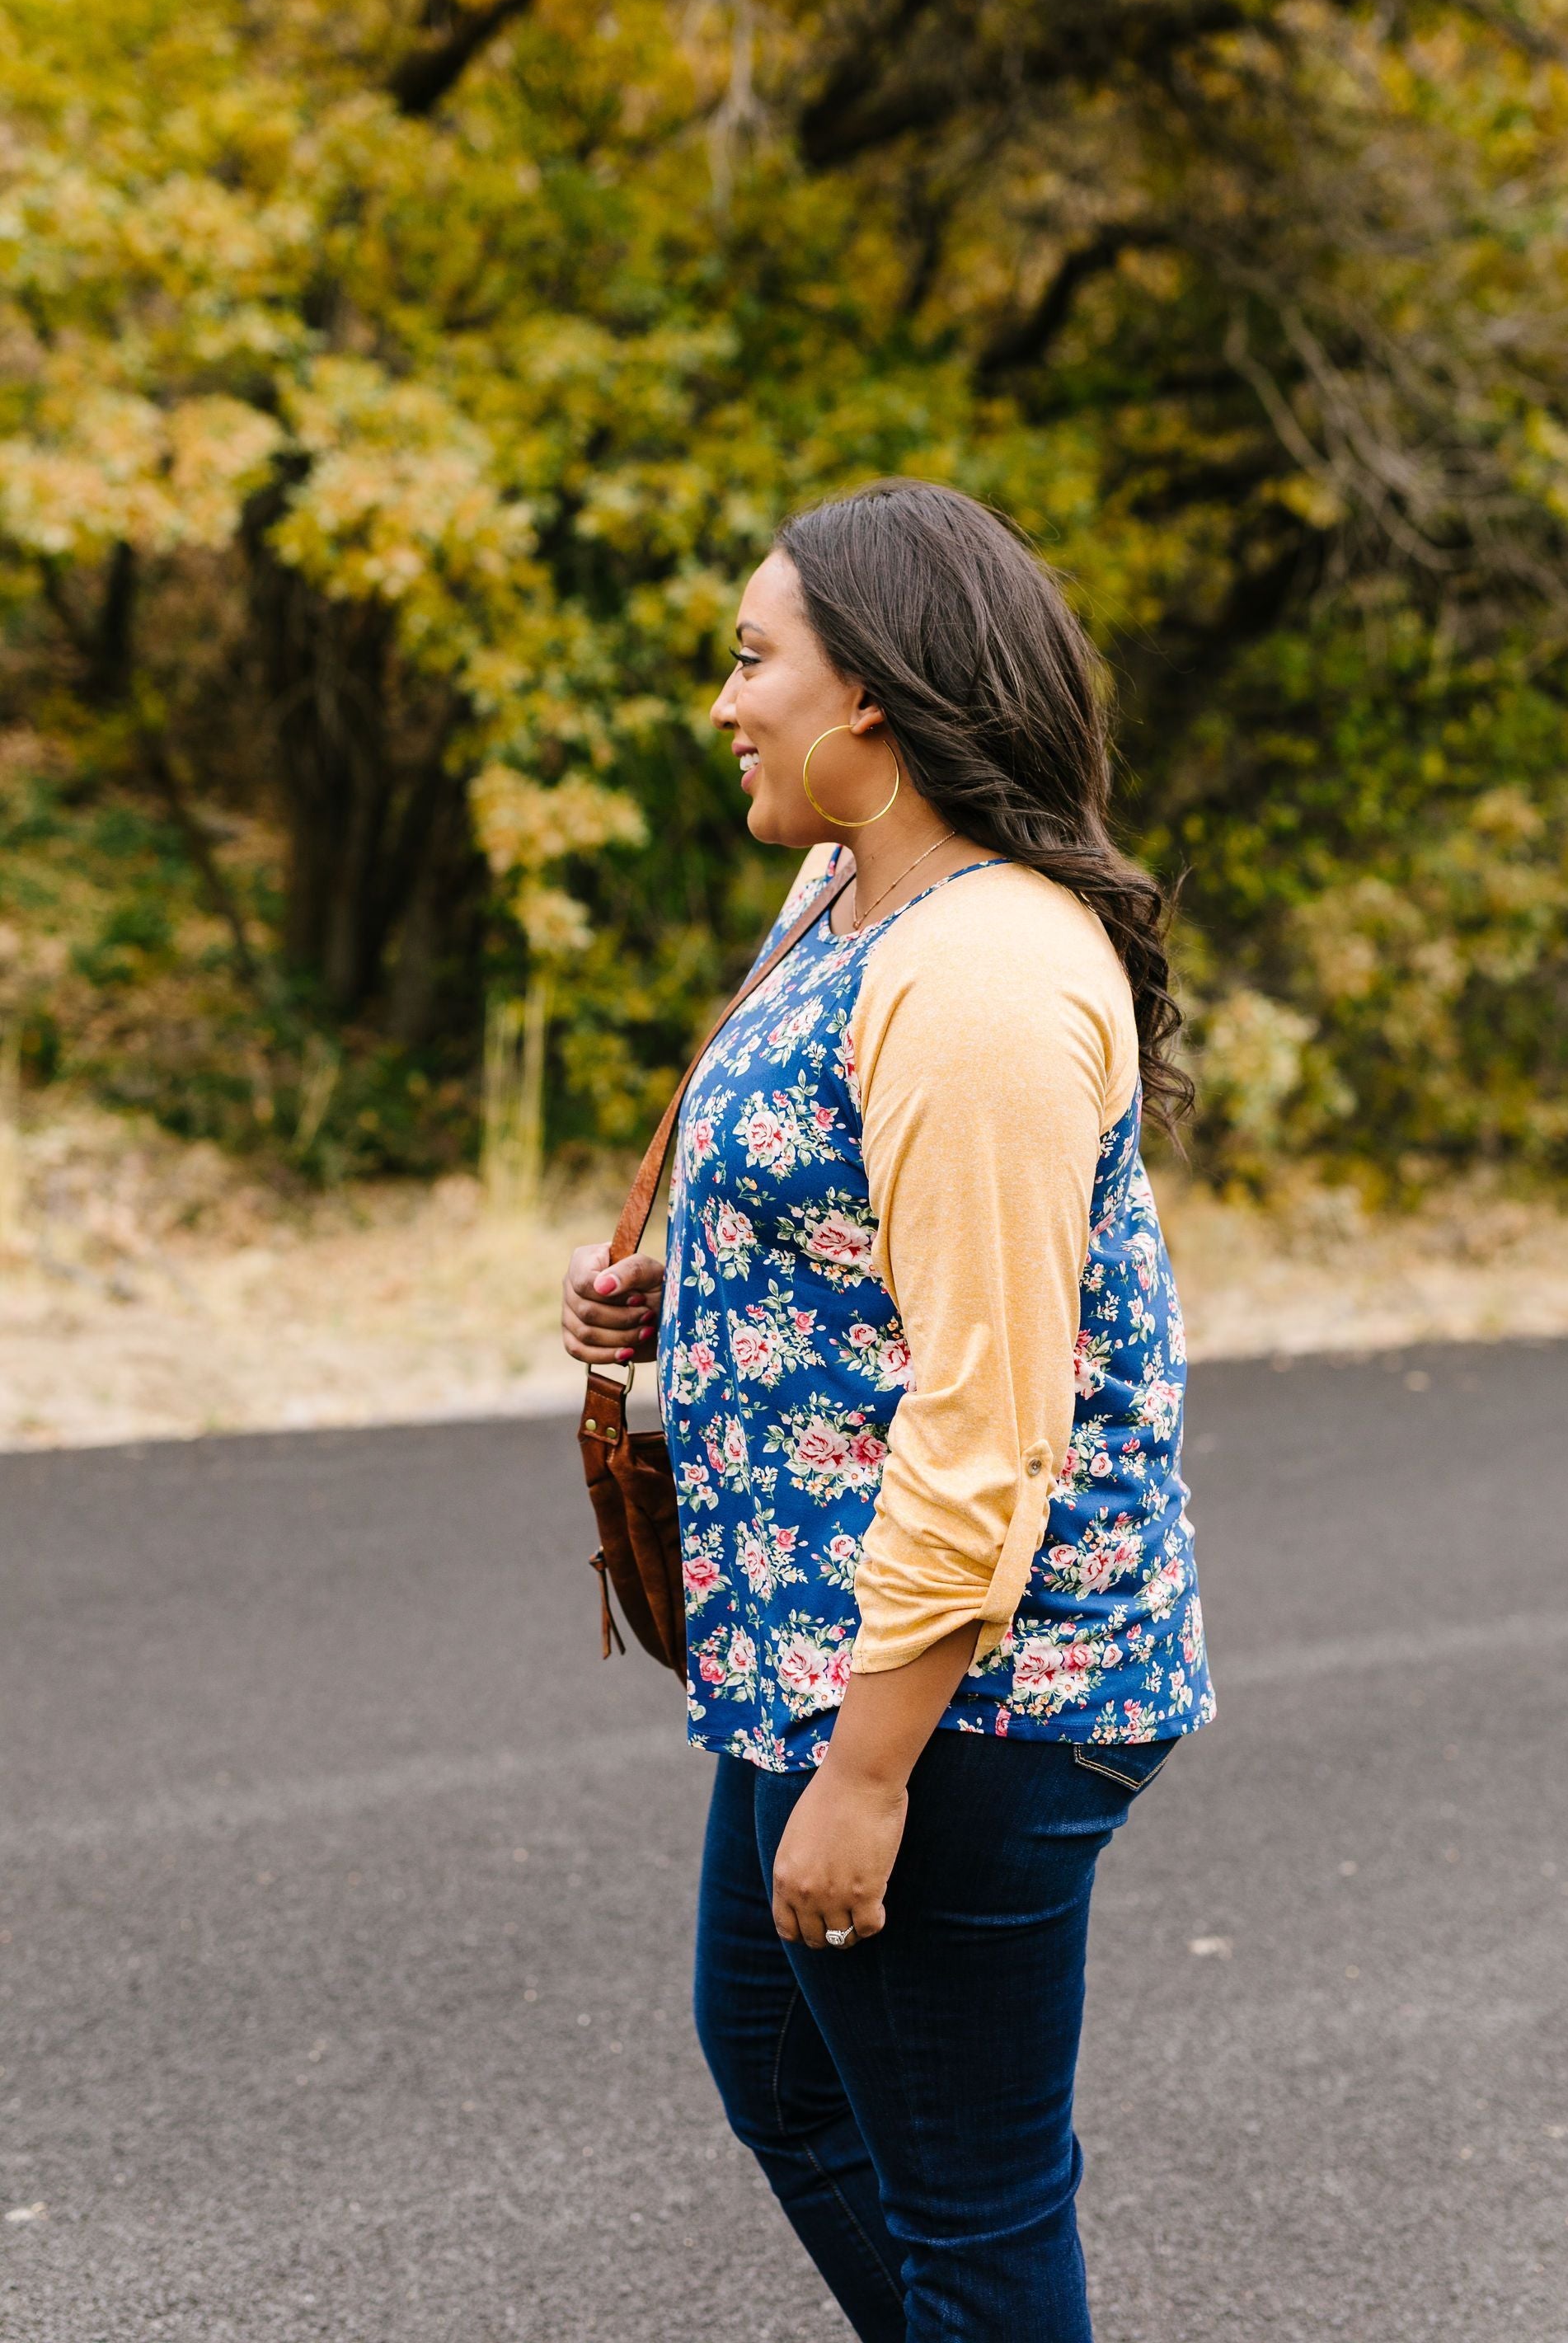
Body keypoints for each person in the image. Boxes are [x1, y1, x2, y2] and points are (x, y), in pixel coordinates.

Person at [561, 478, 1215, 2342]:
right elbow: (868, 1219)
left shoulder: (989, 975)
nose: (723, 697)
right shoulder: (846, 890)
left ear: (871, 691)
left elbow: (988, 1417)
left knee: (972, 2207)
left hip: (964, 1697)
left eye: (752, 655)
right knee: (782, 2080)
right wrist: (688, 1296)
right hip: (820, 1647)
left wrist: (864, 1779)